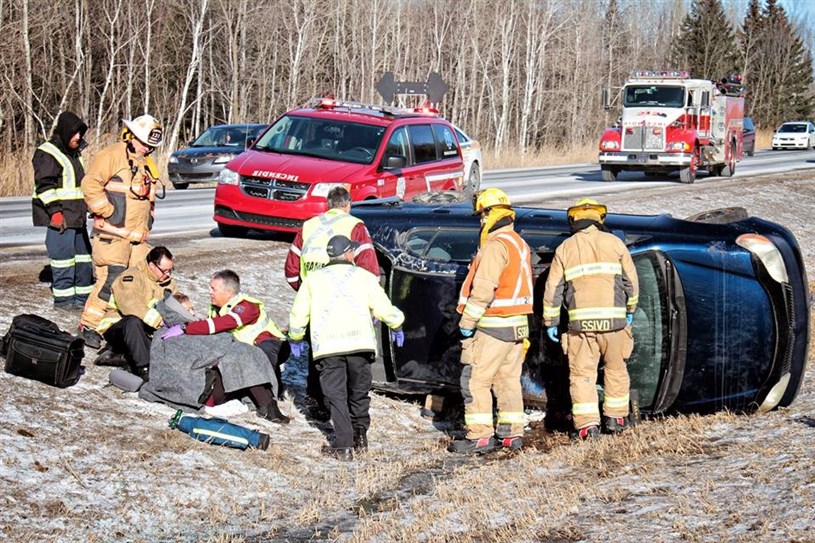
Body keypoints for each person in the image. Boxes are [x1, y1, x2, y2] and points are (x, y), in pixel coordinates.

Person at [288, 235, 405, 461]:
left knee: (336, 396)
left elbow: (299, 313)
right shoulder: (364, 277)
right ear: (349, 254)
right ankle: (360, 436)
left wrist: (295, 337)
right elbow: (383, 306)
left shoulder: (313, 280)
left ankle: (343, 446)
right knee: (358, 392)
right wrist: (396, 324)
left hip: (328, 347)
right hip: (360, 345)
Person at [542, 198, 639, 440]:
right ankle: (616, 419)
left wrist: (551, 322)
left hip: (581, 327)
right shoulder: (615, 243)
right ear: (599, 219)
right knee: (616, 370)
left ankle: (587, 427)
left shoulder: (565, 248)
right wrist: (630, 309)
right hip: (615, 325)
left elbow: (553, 289)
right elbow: (631, 282)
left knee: (582, 376)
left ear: (573, 220)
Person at [449, 188, 534, 455]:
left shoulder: (495, 245)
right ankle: (511, 433)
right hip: (516, 326)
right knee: (508, 380)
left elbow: (484, 289)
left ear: (490, 213)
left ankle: (479, 436)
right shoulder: (518, 242)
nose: (481, 221)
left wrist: (467, 322)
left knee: (475, 380)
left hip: (494, 326)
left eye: (482, 215)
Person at [284, 186, 380, 419]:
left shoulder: (308, 227)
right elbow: (369, 268)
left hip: (316, 303)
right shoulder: (355, 226)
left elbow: (291, 271)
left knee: (319, 356)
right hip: (349, 303)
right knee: (348, 356)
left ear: (328, 205)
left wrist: (308, 293)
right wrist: (371, 303)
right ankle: (346, 409)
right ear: (348, 205)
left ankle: (318, 404)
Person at [78, 114, 164, 349]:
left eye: (151, 146)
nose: (147, 149)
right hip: (111, 235)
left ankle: (114, 327)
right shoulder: (112, 155)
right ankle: (88, 326)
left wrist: (148, 221)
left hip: (137, 238)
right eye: (144, 143)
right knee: (110, 278)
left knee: (134, 281)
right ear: (132, 136)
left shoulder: (146, 162)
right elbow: (90, 184)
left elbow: (147, 197)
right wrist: (106, 210)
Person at [161, 269, 290, 423]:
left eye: (213, 289)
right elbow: (210, 330)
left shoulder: (246, 306)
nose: (210, 292)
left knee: (255, 355)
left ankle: (270, 397)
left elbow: (220, 324)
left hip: (271, 346)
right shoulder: (215, 309)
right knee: (237, 359)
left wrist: (185, 328)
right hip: (243, 353)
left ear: (228, 293)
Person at [31, 111, 93, 310]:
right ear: (66, 132)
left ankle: (82, 300)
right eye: (75, 133)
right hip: (61, 218)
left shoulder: (74, 152)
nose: (79, 137)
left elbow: (78, 186)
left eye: (81, 133)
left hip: (77, 217)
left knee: (84, 261)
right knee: (63, 261)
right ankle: (64, 303)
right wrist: (55, 212)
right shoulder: (47, 152)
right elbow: (44, 186)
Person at [96, 246, 177, 381]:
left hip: (147, 330)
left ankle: (124, 358)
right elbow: (131, 305)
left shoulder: (169, 283)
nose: (168, 274)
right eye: (164, 271)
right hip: (119, 328)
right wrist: (159, 321)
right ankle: (144, 369)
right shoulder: (131, 277)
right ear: (152, 265)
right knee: (133, 322)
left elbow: (178, 303)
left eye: (170, 270)